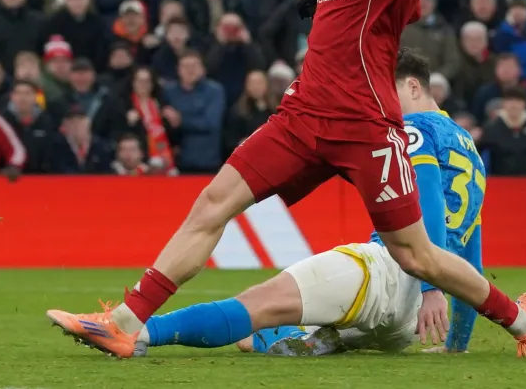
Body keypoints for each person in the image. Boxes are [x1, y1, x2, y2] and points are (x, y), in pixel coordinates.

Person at [46, 0, 526, 361]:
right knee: (212, 204)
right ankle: (124, 324)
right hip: (300, 120)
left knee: (418, 256)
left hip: (364, 127)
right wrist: (325, 6)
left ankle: (525, 322)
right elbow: (377, 12)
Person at [134, 50, 484, 357]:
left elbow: (431, 207)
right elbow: (471, 256)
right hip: (405, 329)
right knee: (271, 327)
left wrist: (431, 287)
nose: (382, 105)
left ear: (412, 87)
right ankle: (301, 337)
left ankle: (137, 330)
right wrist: (457, 340)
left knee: (255, 304)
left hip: (390, 275)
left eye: (385, 93)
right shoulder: (469, 150)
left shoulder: (413, 128)